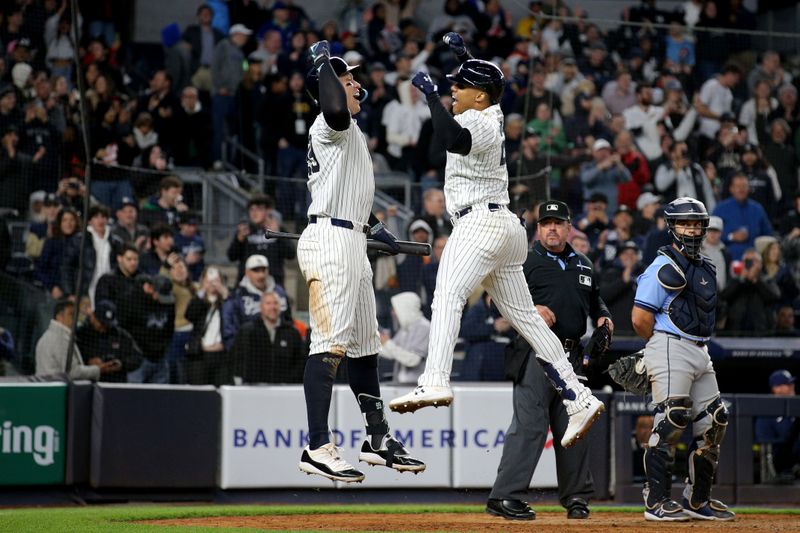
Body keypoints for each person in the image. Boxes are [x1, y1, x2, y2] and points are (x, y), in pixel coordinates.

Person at [390, 33, 605, 453]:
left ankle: (434, 379)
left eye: (459, 85)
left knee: (447, 295)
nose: (452, 88)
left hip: (480, 223)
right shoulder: (490, 109)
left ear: (480, 96)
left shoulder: (481, 121)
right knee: (525, 317)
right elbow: (489, 85)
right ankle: (578, 396)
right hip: (503, 226)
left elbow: (453, 139)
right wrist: (463, 55)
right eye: (451, 84)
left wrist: (432, 96)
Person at [295, 43, 425, 483]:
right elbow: (331, 109)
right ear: (326, 88)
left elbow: (347, 190)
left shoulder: (348, 131)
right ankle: (317, 445)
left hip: (351, 238)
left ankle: (377, 438)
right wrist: (322, 62)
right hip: (330, 240)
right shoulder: (329, 124)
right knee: (327, 345)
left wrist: (375, 228)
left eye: (352, 76)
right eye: (344, 77)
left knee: (366, 347)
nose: (353, 82)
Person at [488, 200, 612, 521]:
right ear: (538, 229)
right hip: (535, 350)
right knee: (530, 425)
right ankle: (505, 496)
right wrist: (531, 310)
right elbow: (494, 299)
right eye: (546, 224)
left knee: (574, 425)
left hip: (571, 354)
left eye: (558, 223)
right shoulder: (523, 261)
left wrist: (604, 319)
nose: (552, 228)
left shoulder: (583, 263)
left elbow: (596, 300)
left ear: (569, 227)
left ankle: (576, 498)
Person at [631, 197, 735, 522]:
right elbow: (638, 317)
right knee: (672, 418)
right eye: (684, 222)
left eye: (696, 223)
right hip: (670, 343)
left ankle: (697, 499)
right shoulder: (663, 266)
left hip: (700, 348)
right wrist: (657, 348)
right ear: (671, 226)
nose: (690, 228)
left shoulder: (706, 265)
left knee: (714, 421)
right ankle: (656, 501)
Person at [230, 291, 306, 384]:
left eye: (275, 303)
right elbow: (238, 358)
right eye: (268, 303)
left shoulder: (292, 332)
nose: (272, 307)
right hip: (253, 387)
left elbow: (300, 361)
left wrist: (290, 381)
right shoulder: (247, 331)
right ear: (261, 307)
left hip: (284, 388)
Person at [35, 299, 120, 380]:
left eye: (76, 315)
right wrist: (99, 369)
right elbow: (72, 372)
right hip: (56, 392)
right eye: (71, 314)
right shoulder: (60, 339)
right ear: (59, 316)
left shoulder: (47, 336)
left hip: (47, 390)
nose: (74, 319)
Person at [221, 254, 288, 350]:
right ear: (247, 272)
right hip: (248, 348)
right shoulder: (238, 295)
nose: (261, 275)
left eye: (263, 270)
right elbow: (229, 325)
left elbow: (287, 319)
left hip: (278, 347)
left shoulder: (279, 292)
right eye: (256, 270)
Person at [226, 194, 296, 285]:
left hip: (273, 286)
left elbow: (291, 254)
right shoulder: (244, 230)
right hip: (247, 286)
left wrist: (278, 235)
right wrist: (239, 239)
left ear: (268, 211)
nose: (254, 213)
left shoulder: (278, 229)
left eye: (259, 209)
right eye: (251, 209)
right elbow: (231, 257)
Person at [76, 300, 143, 383]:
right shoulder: (81, 334)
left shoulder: (119, 334)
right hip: (89, 383)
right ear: (93, 316)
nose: (104, 327)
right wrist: (88, 362)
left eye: (107, 324)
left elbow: (137, 357)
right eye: (101, 323)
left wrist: (121, 364)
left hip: (115, 384)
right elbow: (70, 362)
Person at [126, 275, 176, 384]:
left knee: (160, 396)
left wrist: (163, 348)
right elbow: (124, 328)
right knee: (133, 396)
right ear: (149, 288)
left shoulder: (169, 304)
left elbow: (170, 328)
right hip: (138, 359)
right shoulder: (132, 300)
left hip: (160, 359)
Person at [712, 173, 773, 261]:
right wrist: (731, 236)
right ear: (731, 189)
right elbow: (710, 235)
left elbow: (767, 234)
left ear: (748, 188)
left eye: (744, 186)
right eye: (738, 186)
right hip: (728, 259)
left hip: (755, 259)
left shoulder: (757, 209)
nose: (741, 189)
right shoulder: (720, 209)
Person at [185, 266, 230, 386]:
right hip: (201, 355)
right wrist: (202, 292)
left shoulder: (227, 301)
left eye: (216, 280)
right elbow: (189, 315)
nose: (212, 284)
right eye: (208, 281)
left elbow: (233, 317)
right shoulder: (199, 300)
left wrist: (225, 295)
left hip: (221, 356)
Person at [755, 370, 800, 483]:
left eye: (791, 383)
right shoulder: (767, 413)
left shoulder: (796, 408)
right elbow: (766, 445)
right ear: (776, 388)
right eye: (787, 384)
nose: (791, 387)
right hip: (780, 469)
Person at [379, 292, 429, 385]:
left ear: (405, 308)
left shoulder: (424, 327)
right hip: (401, 383)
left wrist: (387, 343)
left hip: (417, 385)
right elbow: (391, 353)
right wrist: (373, 346)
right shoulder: (404, 329)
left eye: (395, 309)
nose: (393, 313)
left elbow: (413, 360)